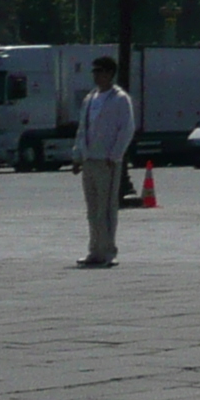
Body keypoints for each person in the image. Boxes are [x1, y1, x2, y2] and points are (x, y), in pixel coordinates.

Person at [74, 56, 136, 269]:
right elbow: (82, 129)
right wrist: (77, 155)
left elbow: (126, 129)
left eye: (100, 71)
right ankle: (95, 250)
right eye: (94, 71)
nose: (96, 75)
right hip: (89, 160)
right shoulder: (90, 99)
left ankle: (109, 251)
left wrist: (115, 155)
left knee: (107, 207)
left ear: (110, 73)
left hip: (107, 161)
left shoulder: (120, 99)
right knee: (92, 208)